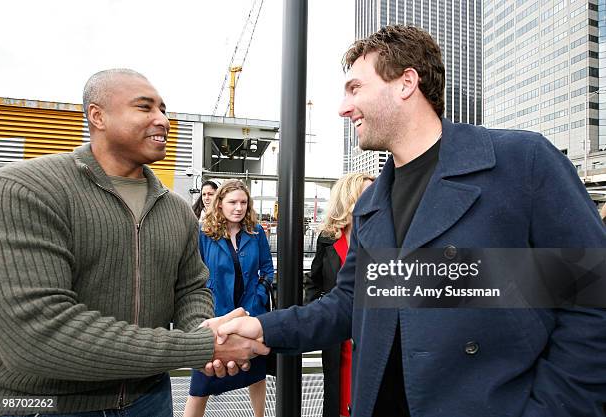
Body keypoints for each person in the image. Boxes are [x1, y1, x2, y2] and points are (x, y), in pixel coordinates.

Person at [212, 25, 606, 417]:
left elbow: (592, 296)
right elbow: (349, 303)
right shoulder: (372, 203)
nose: (343, 107)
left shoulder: (521, 162)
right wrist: (264, 330)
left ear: (406, 83)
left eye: (355, 88)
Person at [0, 69, 265, 417]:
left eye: (164, 110)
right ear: (98, 116)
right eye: (144, 107)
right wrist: (199, 346)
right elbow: (37, 335)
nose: (162, 120)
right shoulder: (26, 190)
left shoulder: (176, 209)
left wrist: (204, 332)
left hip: (149, 400)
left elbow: (192, 289)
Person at [184, 180, 274, 417]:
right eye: (232, 202)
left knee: (256, 374)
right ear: (220, 203)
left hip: (250, 314)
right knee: (201, 385)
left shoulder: (255, 233)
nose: (238, 207)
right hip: (217, 319)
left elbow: (267, 269)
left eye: (243, 202)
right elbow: (193, 273)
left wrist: (259, 295)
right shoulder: (204, 234)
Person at [304, 172, 373, 417]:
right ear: (348, 199)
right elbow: (315, 281)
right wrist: (312, 318)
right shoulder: (327, 239)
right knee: (337, 393)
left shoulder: (384, 239)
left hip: (371, 335)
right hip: (337, 336)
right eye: (367, 194)